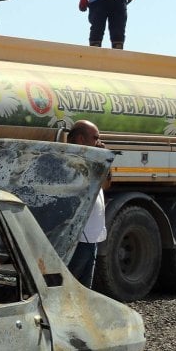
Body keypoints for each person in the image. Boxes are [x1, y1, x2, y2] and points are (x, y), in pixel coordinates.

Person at [66, 120, 108, 286]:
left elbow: (105, 184)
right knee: (71, 285)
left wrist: (104, 161)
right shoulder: (71, 160)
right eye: (95, 137)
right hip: (79, 237)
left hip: (91, 235)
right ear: (82, 140)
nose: (99, 142)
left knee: (85, 287)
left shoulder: (92, 161)